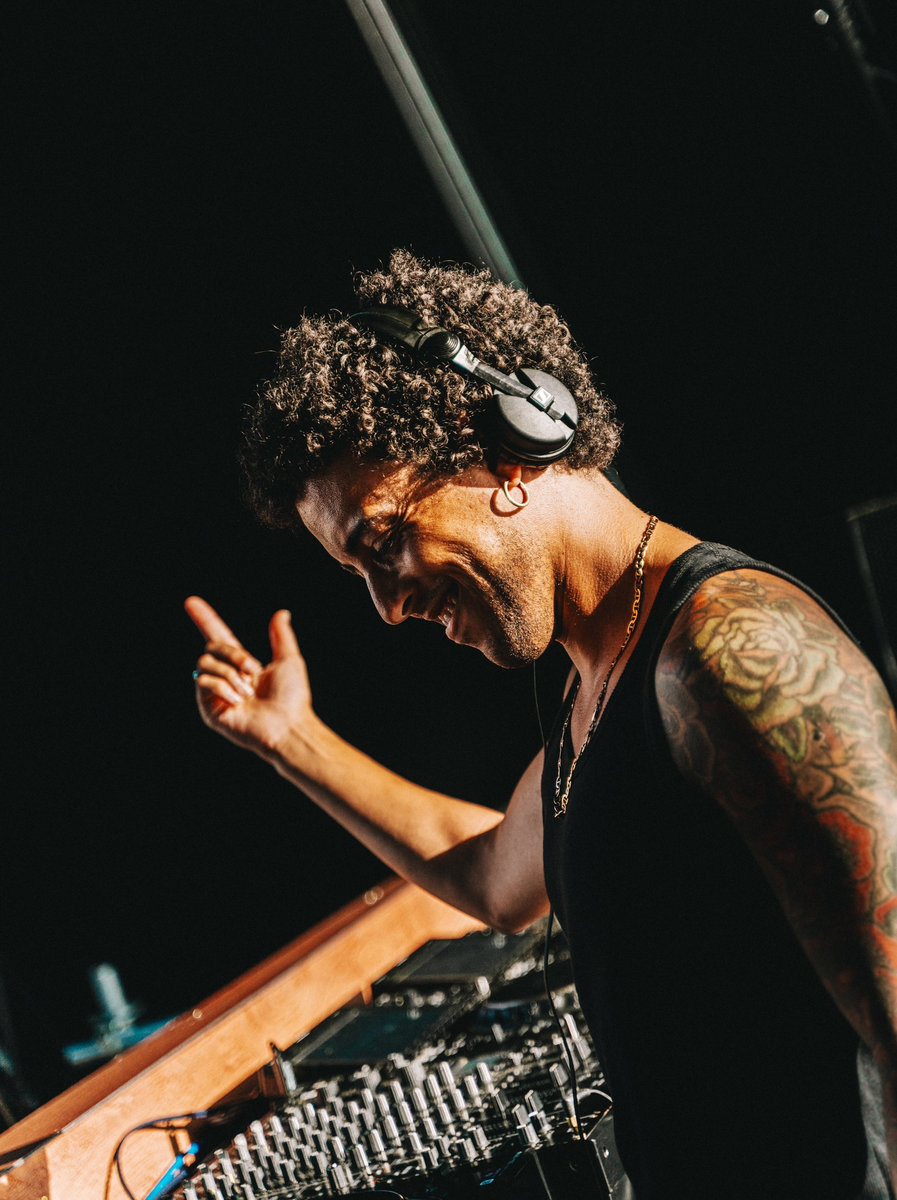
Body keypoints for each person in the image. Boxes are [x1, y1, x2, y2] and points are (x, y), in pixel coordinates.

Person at [187, 249, 897, 1199]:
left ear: (506, 442)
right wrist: (291, 740)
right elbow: (492, 876)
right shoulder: (601, 684)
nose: (386, 607)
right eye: (358, 572)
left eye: (385, 541)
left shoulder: (728, 652)